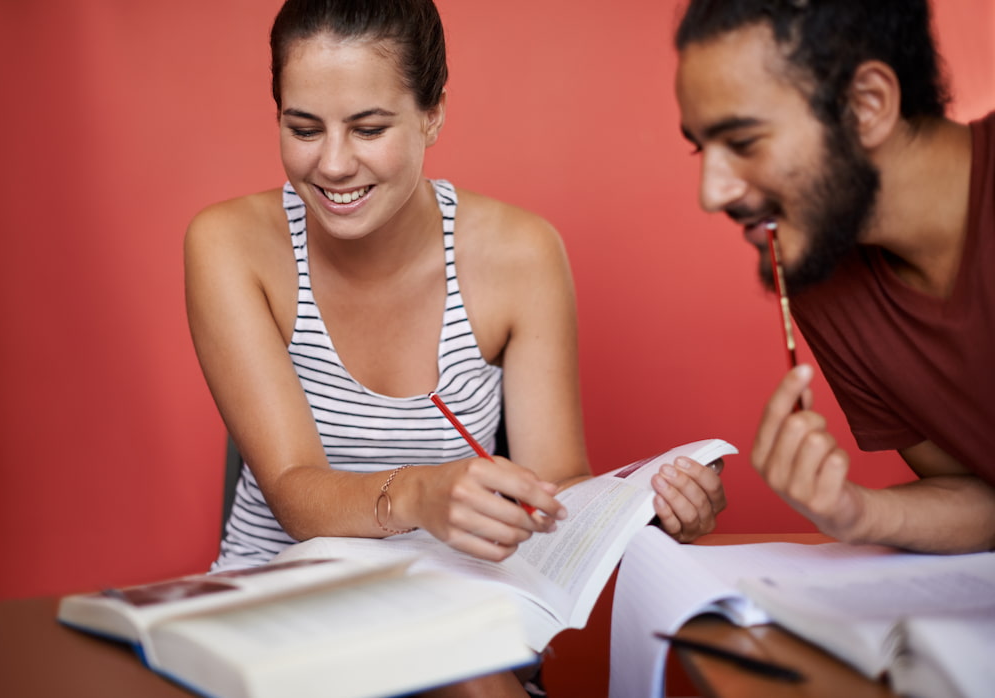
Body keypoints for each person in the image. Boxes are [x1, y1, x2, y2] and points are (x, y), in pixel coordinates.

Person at [186, 0, 727, 694]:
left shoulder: (521, 255)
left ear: (433, 113)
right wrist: (423, 491)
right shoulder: (229, 244)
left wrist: (642, 511)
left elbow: (555, 485)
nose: (333, 163)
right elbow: (294, 493)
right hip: (279, 608)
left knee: (470, 676)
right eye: (303, 128)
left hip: (454, 612)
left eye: (370, 127)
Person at [672, 0, 995, 554]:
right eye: (703, 148)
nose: (711, 193)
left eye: (744, 142)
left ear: (866, 106)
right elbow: (980, 494)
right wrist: (858, 512)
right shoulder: (822, 279)